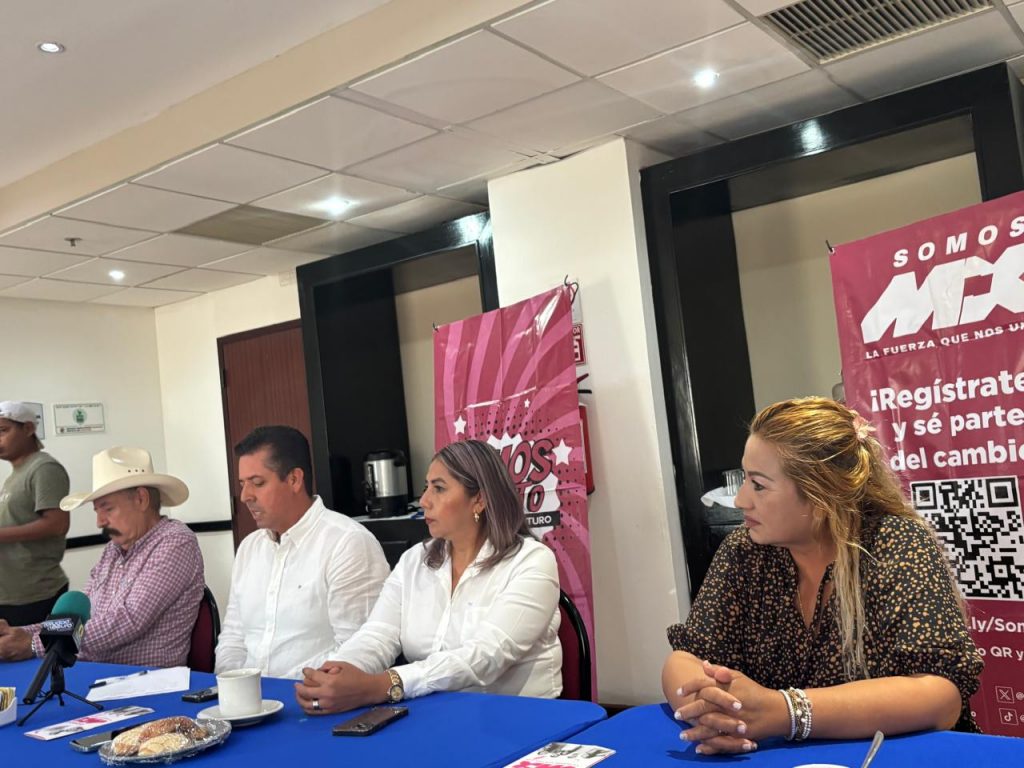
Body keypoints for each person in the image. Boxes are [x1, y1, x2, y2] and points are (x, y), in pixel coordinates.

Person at [662, 397, 983, 755]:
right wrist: (715, 713)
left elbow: (940, 696)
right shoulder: (744, 550)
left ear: (821, 495)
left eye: (758, 485)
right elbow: (686, 658)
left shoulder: (895, 543)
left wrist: (787, 712)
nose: (740, 500)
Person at [294, 439, 561, 714]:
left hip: (518, 717)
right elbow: (378, 634)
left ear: (479, 499)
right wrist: (338, 672)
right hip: (433, 713)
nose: (424, 501)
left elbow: (487, 655)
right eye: (426, 487)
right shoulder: (414, 560)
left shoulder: (532, 560)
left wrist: (386, 684)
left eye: (439, 488)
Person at [0, 446, 204, 667]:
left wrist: (35, 643)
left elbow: (128, 621)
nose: (100, 522)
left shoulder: (176, 542)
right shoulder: (113, 549)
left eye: (108, 509)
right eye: (97, 511)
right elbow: (79, 618)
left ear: (141, 499)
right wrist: (21, 633)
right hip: (98, 671)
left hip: (146, 678)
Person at [215, 426, 390, 679]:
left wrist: (292, 688)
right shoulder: (249, 548)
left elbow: (360, 648)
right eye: (242, 484)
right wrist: (234, 684)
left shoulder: (347, 542)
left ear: (294, 480)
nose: (245, 496)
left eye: (258, 483)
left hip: (313, 694)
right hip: (248, 695)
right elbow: (233, 637)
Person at [0, 401, 71, 625]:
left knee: (38, 648)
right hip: (11, 594)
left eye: (3, 430)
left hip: (35, 594)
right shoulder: (15, 475)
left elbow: (57, 524)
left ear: (28, 428)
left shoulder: (44, 468)